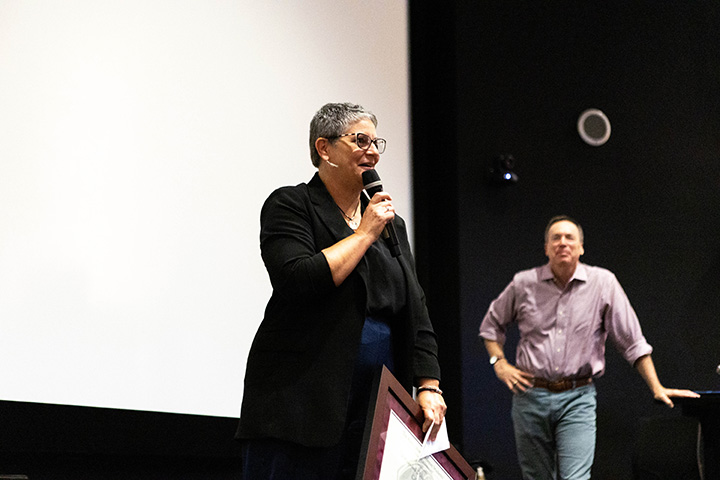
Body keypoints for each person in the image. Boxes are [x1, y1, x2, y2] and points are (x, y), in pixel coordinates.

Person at [236, 102, 446, 479]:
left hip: (377, 400)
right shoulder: (292, 204)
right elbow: (298, 279)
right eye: (360, 140)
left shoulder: (391, 225)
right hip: (302, 399)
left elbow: (415, 307)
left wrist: (429, 385)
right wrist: (364, 233)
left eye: (376, 141)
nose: (374, 150)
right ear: (324, 148)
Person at [479, 215, 699, 480]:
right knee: (535, 477)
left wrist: (656, 386)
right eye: (555, 238)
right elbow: (491, 327)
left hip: (577, 397)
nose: (563, 243)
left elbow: (632, 341)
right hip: (530, 397)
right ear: (546, 248)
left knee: (575, 478)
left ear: (581, 247)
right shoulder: (524, 283)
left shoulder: (603, 283)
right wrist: (499, 363)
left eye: (569, 237)